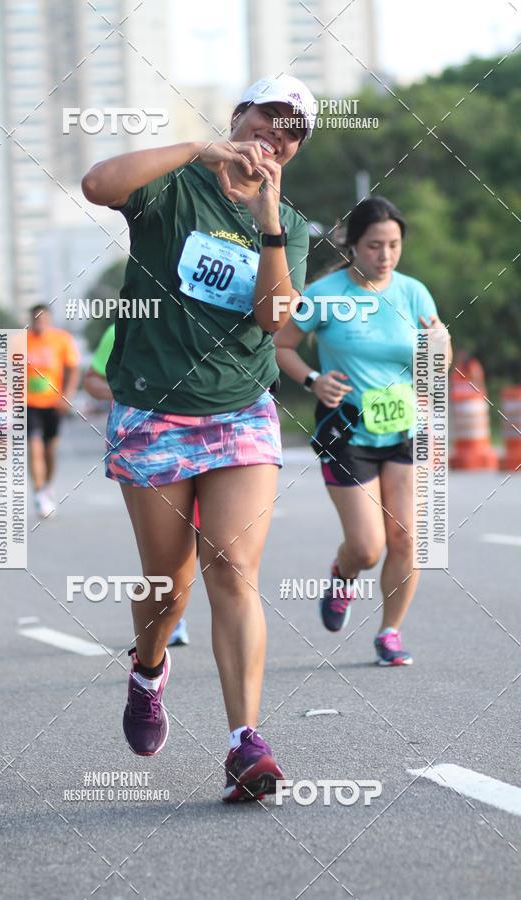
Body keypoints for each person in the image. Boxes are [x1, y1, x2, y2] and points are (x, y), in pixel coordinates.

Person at [82, 74, 315, 800]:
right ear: (239, 114)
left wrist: (270, 215)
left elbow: (274, 316)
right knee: (168, 584)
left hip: (240, 408)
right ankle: (148, 667)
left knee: (232, 569)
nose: (273, 136)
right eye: (265, 118)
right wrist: (198, 147)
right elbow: (96, 183)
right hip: (153, 408)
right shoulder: (173, 186)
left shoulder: (293, 224)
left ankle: (245, 743)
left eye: (291, 131)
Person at [274, 197, 452, 666]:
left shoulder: (414, 294)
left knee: (408, 538)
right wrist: (314, 380)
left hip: (402, 428)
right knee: (367, 546)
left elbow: (434, 370)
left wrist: (441, 349)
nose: (385, 255)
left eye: (393, 245)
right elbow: (282, 346)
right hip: (347, 430)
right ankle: (342, 575)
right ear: (353, 246)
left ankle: (390, 632)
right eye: (375, 245)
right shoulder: (325, 294)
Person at [85, 324, 190, 647]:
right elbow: (92, 380)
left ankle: (178, 613)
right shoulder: (122, 326)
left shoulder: (201, 313)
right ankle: (170, 618)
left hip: (202, 437)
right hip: (144, 442)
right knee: (167, 551)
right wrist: (126, 391)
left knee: (208, 542)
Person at [26, 305, 80, 518]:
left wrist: (67, 395)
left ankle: (47, 486)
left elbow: (73, 368)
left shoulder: (62, 340)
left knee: (50, 451)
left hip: (54, 404)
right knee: (35, 447)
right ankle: (39, 493)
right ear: (31, 320)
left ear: (49, 320)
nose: (40, 323)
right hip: (28, 404)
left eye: (44, 319)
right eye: (36, 319)